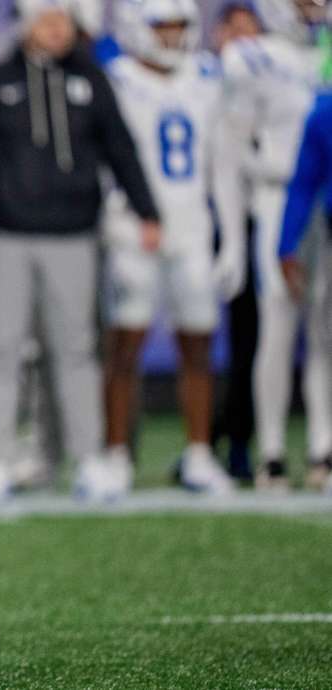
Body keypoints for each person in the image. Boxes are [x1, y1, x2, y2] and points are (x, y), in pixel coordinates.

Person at [0, 0, 160, 503]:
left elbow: (120, 147)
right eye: (47, 19)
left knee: (77, 351)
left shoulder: (91, 79)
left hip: (74, 234)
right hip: (8, 234)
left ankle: (87, 459)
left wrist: (147, 210)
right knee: (2, 349)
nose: (55, 29)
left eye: (63, 19)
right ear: (26, 24)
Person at [101, 0, 243, 496]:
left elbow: (221, 164)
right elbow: (106, 158)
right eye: (161, 26)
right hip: (133, 225)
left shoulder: (205, 75)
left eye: (179, 26)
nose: (171, 36)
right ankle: (116, 453)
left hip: (191, 224)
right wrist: (112, 223)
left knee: (198, 342)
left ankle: (200, 452)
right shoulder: (116, 77)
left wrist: (233, 239)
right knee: (125, 343)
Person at [221, 0, 332, 491]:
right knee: (277, 325)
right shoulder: (252, 56)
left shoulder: (323, 49)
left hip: (326, 203)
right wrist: (229, 231)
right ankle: (270, 450)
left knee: (326, 331)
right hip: (276, 198)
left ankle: (322, 446)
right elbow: (231, 147)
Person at [210, 1, 264, 481]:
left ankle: (240, 437)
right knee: (198, 331)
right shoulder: (200, 78)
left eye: (254, 33)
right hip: (196, 217)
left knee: (249, 333)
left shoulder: (269, 80)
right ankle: (204, 437)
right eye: (236, 32)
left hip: (249, 216)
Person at [274, 91, 332, 492]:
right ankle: (323, 449)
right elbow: (304, 180)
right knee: (324, 343)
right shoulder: (325, 113)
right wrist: (286, 241)